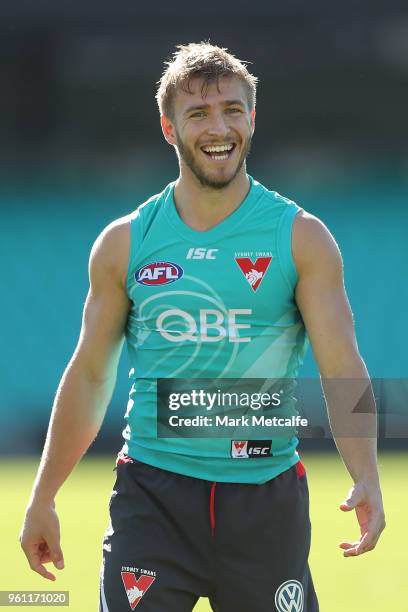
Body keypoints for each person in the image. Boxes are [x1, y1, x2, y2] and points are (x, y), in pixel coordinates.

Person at [20, 42, 385, 612]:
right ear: (169, 129)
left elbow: (344, 366)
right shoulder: (125, 243)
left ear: (253, 118)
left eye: (232, 111)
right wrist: (43, 495)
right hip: (152, 499)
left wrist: (366, 474)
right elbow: (90, 374)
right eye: (198, 114)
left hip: (266, 503)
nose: (219, 127)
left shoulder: (302, 237)